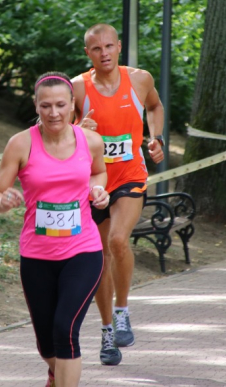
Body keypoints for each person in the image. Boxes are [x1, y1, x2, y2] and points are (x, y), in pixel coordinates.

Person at [0, 72, 108, 387]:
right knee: (46, 343)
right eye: (45, 106)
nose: (53, 113)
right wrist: (5, 201)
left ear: (73, 105)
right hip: (37, 255)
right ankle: (55, 373)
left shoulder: (91, 141)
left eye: (60, 105)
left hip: (83, 251)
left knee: (65, 329)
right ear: (36, 106)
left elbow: (99, 172)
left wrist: (99, 191)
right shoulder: (20, 143)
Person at [71, 23, 165, 365]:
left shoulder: (140, 79)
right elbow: (57, 131)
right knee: (100, 258)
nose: (104, 53)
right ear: (88, 53)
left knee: (118, 241)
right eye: (97, 49)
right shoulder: (77, 88)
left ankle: (123, 310)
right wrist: (77, 130)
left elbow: (155, 107)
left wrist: (156, 137)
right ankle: (108, 330)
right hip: (93, 182)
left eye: (109, 46)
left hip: (130, 176)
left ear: (119, 46)